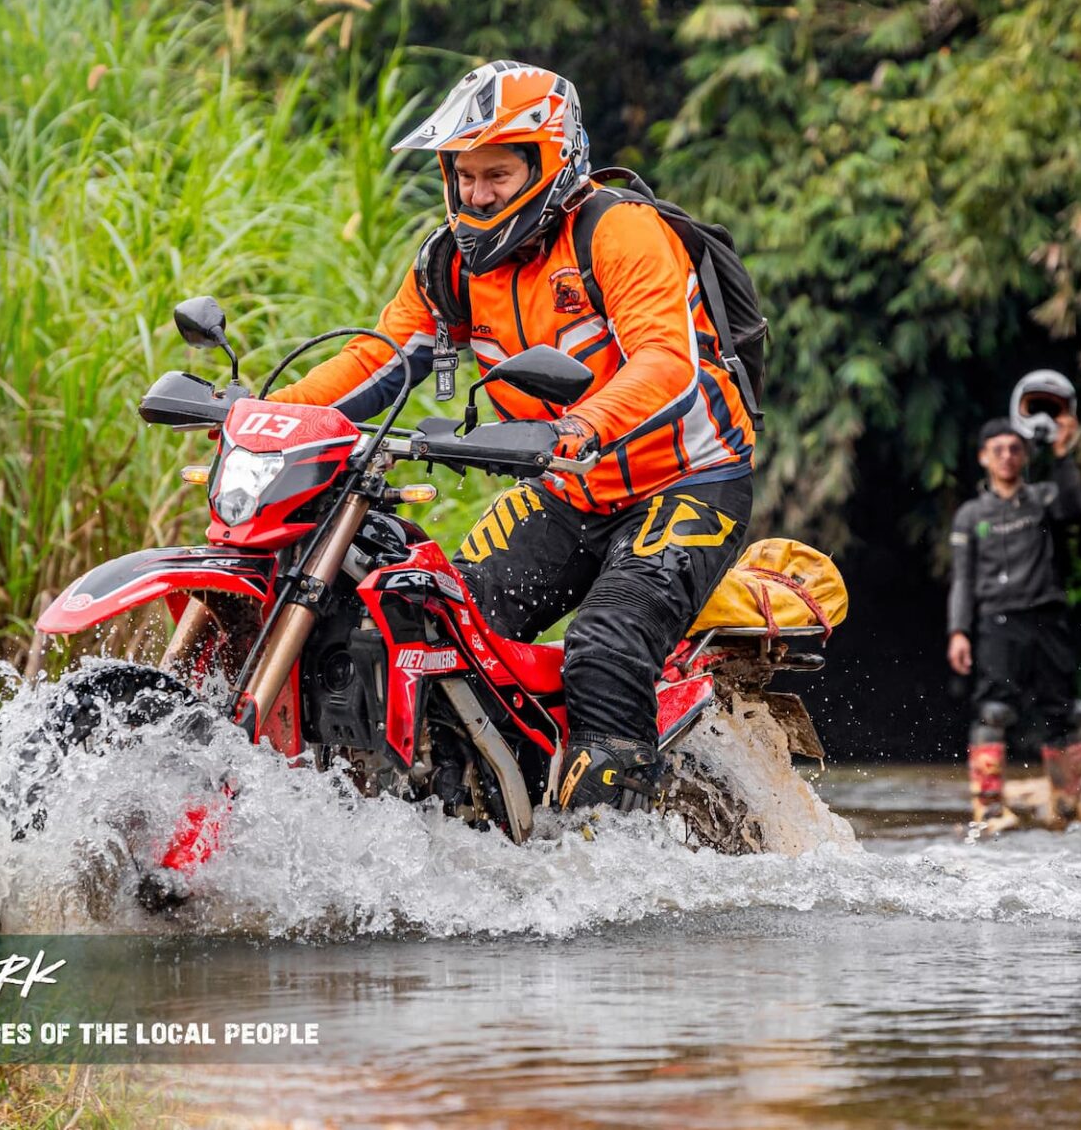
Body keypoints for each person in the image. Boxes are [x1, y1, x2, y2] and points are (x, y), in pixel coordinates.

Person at [266, 61, 759, 811]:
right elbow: (384, 358)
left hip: (687, 479)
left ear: (549, 160)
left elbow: (666, 358)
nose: (476, 193)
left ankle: (618, 858)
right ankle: (494, 807)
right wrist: (268, 417)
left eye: (496, 172)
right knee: (444, 623)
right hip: (569, 487)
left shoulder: (619, 230)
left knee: (606, 646)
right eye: (463, 175)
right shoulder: (452, 264)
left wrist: (581, 423)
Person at [947, 412, 1081, 830]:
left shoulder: (1044, 498)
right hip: (997, 622)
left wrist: (1063, 454)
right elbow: (962, 580)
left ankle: (1068, 804)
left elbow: (1076, 512)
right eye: (999, 450)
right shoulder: (971, 515)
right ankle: (989, 807)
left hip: (1048, 619)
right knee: (993, 712)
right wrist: (958, 631)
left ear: (1026, 454)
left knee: (1065, 711)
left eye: (1015, 449)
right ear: (983, 457)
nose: (1008, 456)